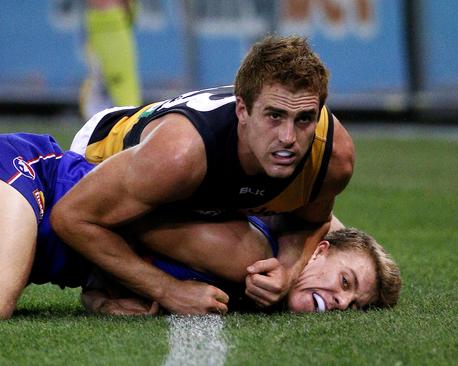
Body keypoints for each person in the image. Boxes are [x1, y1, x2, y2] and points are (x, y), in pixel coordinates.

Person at [0, 132, 398, 319]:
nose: (340, 305)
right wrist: (156, 289)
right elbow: (122, 231)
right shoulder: (247, 252)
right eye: (346, 283)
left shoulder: (266, 270)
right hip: (29, 184)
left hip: (27, 220)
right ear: (319, 253)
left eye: (355, 304)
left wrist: (100, 296)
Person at [52, 35, 356, 313]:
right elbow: (71, 217)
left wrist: (289, 270)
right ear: (242, 111)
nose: (288, 137)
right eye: (274, 116)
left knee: (353, 250)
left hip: (204, 183)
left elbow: (312, 220)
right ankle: (100, 281)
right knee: (246, 260)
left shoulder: (333, 157)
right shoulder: (179, 156)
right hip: (102, 159)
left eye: (304, 119)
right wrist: (168, 290)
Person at [80, 0, 142, 119]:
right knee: (113, 85)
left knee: (121, 85)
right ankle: (126, 124)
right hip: (106, 21)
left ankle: (129, 124)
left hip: (113, 21)